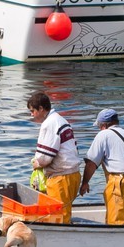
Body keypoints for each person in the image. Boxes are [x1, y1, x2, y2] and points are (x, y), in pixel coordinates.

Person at [26, 91, 81, 224]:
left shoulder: (49, 123)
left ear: (41, 109)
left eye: (32, 111)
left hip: (61, 178)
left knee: (58, 218)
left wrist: (36, 163)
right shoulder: (61, 120)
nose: (31, 115)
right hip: (73, 174)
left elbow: (45, 158)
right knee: (65, 214)